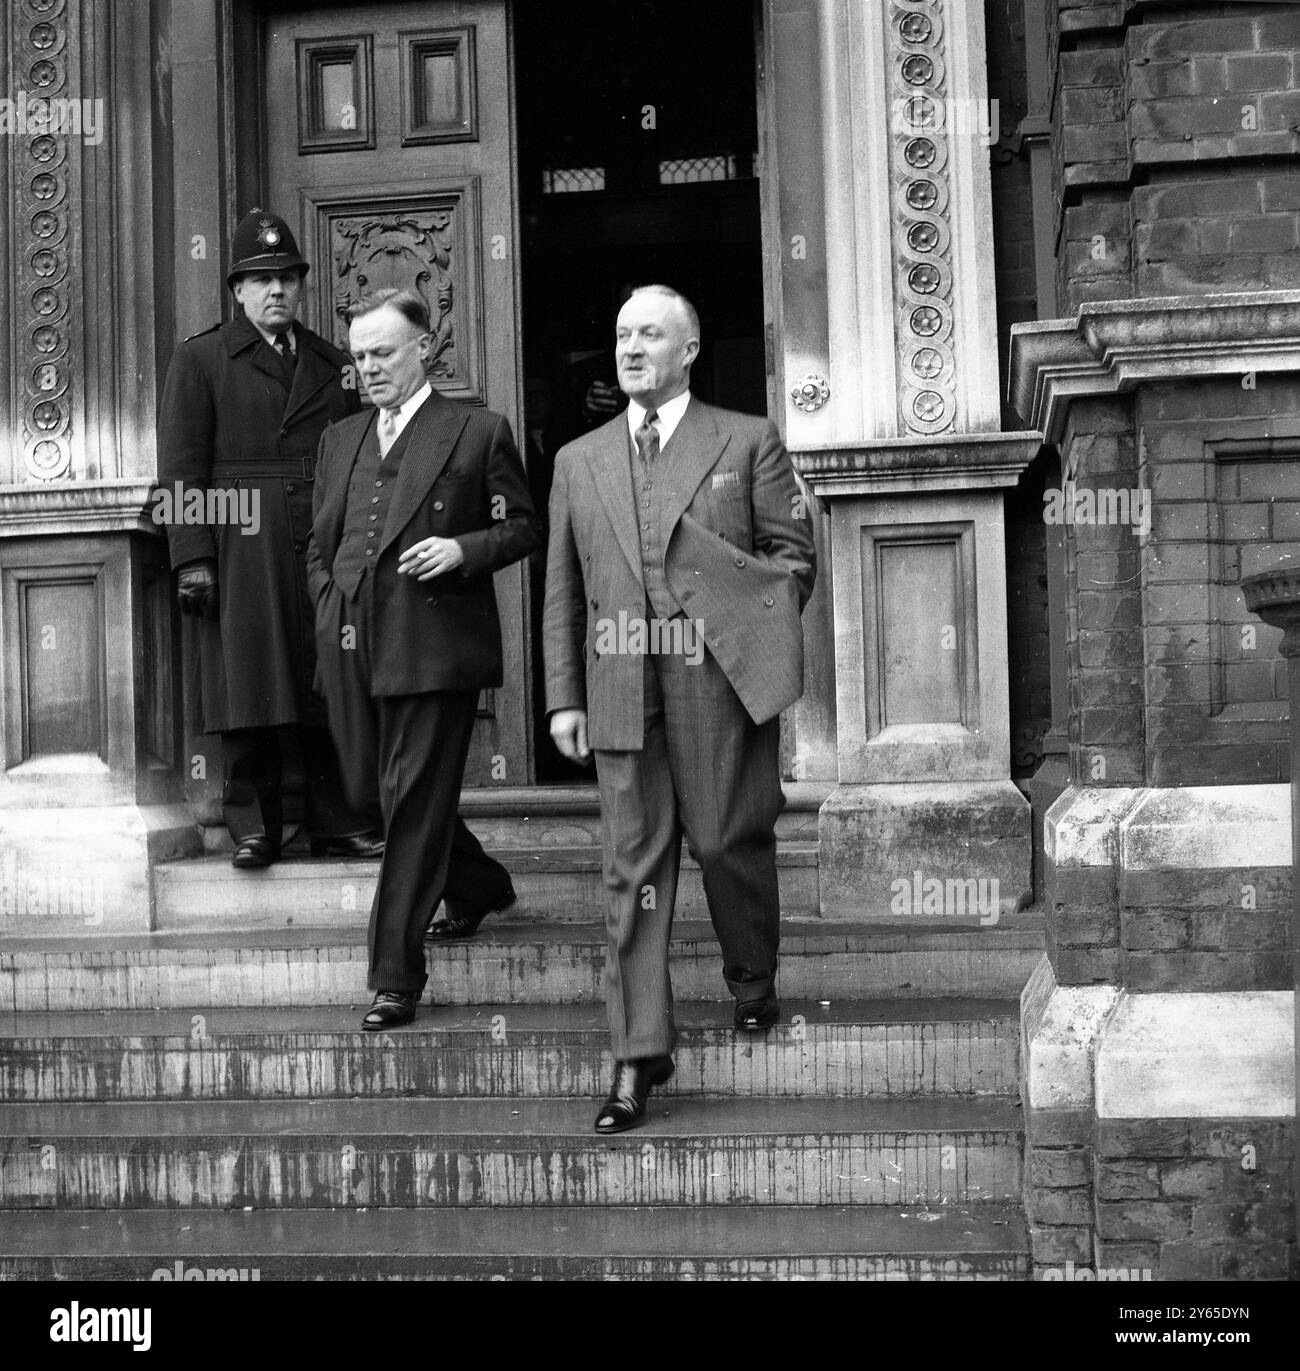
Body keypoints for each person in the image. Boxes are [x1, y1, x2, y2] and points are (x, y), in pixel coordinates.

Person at [543, 284, 817, 1134]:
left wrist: (743, 627)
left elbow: (793, 558)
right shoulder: (576, 460)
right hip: (621, 682)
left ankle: (751, 974)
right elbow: (563, 590)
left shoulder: (747, 439)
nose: (631, 347)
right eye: (622, 333)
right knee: (633, 867)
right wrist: (561, 698)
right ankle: (638, 1053)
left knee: (728, 838)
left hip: (716, 675)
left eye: (651, 334)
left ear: (689, 349)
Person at [307, 288, 541, 1029]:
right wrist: (325, 600)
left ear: (424, 349)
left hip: (435, 648)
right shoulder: (338, 440)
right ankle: (477, 884)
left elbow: (524, 526)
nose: (367, 367)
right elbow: (319, 540)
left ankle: (395, 975)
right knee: (371, 794)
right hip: (349, 641)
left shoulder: (476, 430)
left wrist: (465, 548)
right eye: (359, 354)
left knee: (407, 805)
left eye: (382, 352)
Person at [156, 208, 384, 869]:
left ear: (302, 285)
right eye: (261, 280)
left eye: (287, 277)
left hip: (319, 542)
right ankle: (252, 825)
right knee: (247, 682)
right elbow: (180, 466)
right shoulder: (200, 360)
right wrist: (192, 556)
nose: (276, 289)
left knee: (325, 679)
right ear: (237, 291)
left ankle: (338, 820)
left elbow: (362, 458)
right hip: (240, 544)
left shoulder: (333, 364)